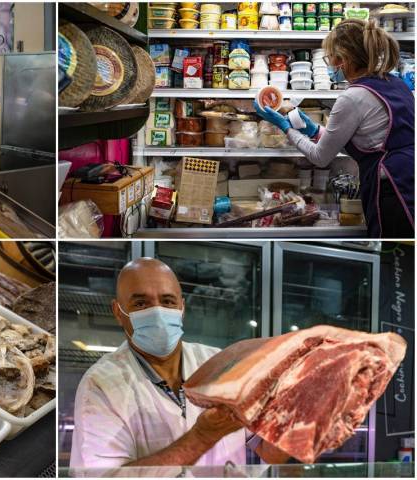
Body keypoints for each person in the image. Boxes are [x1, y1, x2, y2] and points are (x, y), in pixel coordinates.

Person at [70, 258, 289, 475]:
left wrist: (300, 411)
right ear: (118, 312)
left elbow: (267, 450)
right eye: (141, 304)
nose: (157, 312)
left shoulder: (219, 362)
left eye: (167, 301)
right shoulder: (99, 385)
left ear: (182, 308)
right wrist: (202, 437)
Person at [254, 19, 414, 238]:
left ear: (344, 59)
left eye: (329, 58)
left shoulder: (352, 97)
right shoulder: (395, 83)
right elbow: (369, 142)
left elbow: (320, 158)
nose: (329, 64)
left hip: (393, 191)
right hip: (407, 177)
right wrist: (313, 130)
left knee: (397, 262)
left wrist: (285, 127)